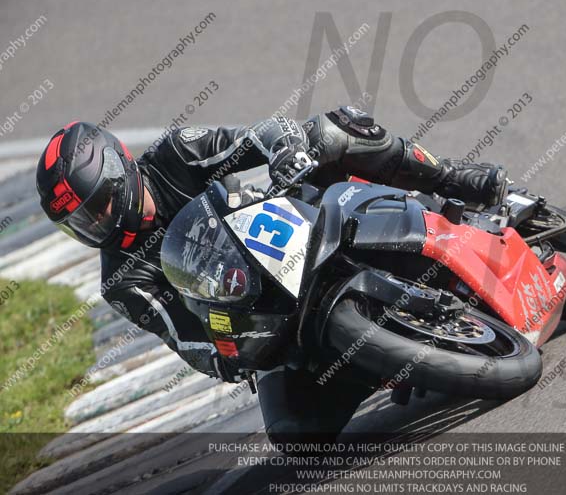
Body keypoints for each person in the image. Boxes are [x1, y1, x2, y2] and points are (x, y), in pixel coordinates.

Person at [35, 107, 508, 441]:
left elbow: (262, 132)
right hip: (265, 319)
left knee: (332, 130)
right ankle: (382, 357)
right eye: (80, 222)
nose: (96, 224)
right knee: (295, 436)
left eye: (97, 207)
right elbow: (186, 339)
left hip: (292, 224)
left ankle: (449, 177)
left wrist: (284, 152)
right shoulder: (121, 280)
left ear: (121, 169)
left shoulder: (175, 153)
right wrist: (227, 354)